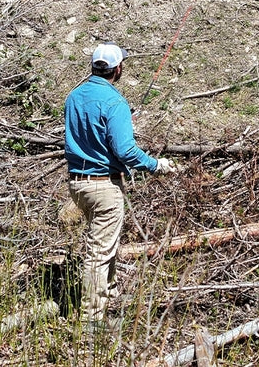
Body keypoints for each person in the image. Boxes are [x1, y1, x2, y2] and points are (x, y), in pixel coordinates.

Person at [64, 42, 176, 326]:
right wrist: (155, 165)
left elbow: (92, 133)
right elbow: (125, 151)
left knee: (104, 242)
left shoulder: (74, 96)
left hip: (77, 184)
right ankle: (92, 319)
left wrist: (122, 122)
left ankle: (110, 292)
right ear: (117, 69)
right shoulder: (115, 102)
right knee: (99, 253)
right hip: (104, 185)